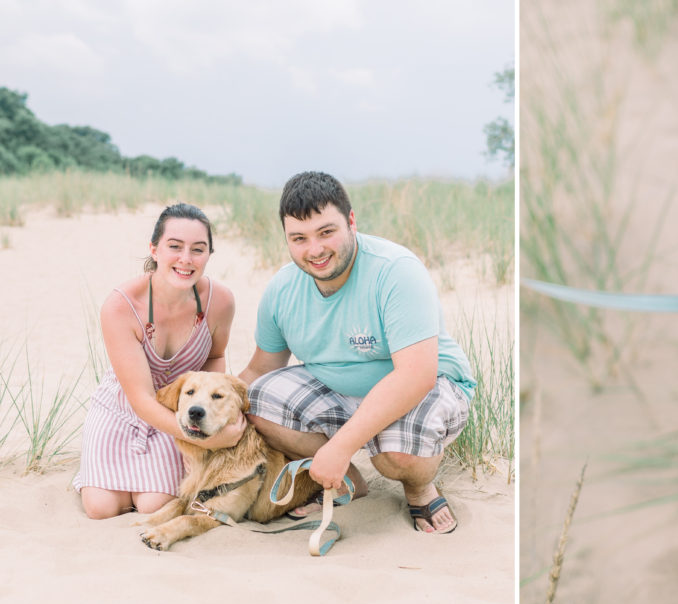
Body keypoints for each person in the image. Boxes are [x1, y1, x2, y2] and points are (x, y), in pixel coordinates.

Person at [239, 171, 475, 534]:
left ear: (351, 221)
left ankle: (418, 488)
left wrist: (340, 446)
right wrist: (208, 407)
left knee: (396, 456)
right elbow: (259, 370)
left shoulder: (396, 271)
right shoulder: (282, 288)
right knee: (254, 401)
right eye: (299, 238)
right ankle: (347, 480)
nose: (314, 250)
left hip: (423, 385)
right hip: (338, 391)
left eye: (326, 232)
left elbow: (416, 376)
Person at [75, 203, 241, 519]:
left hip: (180, 413)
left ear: (209, 254)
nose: (186, 259)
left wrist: (207, 419)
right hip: (123, 409)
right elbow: (140, 400)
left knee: (154, 504)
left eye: (198, 249)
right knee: (101, 509)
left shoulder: (220, 301)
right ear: (154, 249)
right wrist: (203, 442)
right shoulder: (121, 305)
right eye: (174, 247)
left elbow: (215, 357)